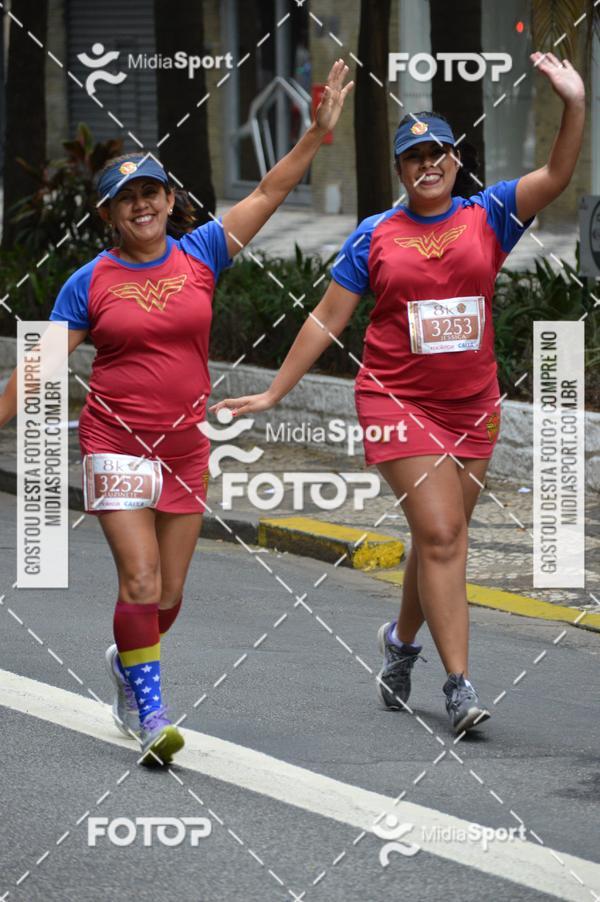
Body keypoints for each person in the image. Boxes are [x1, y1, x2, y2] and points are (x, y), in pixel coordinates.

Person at [211, 52, 585, 734]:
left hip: (473, 406)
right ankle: (460, 688)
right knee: (442, 533)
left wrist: (574, 103)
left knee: (438, 536)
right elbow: (328, 317)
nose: (428, 164)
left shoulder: (490, 214)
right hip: (395, 402)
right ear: (401, 170)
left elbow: (559, 176)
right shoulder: (375, 236)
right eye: (414, 157)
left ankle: (400, 644)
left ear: (455, 160)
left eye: (439, 152)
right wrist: (272, 395)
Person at [0, 60, 353, 765]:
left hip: (186, 447)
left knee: (170, 596)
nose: (142, 206)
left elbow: (272, 190)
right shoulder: (89, 282)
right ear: (107, 213)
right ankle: (150, 712)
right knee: (140, 580)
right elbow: (37, 365)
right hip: (115, 444)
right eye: (126, 199)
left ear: (169, 199)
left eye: (152, 193)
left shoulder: (203, 253)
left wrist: (315, 135)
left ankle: (129, 661)